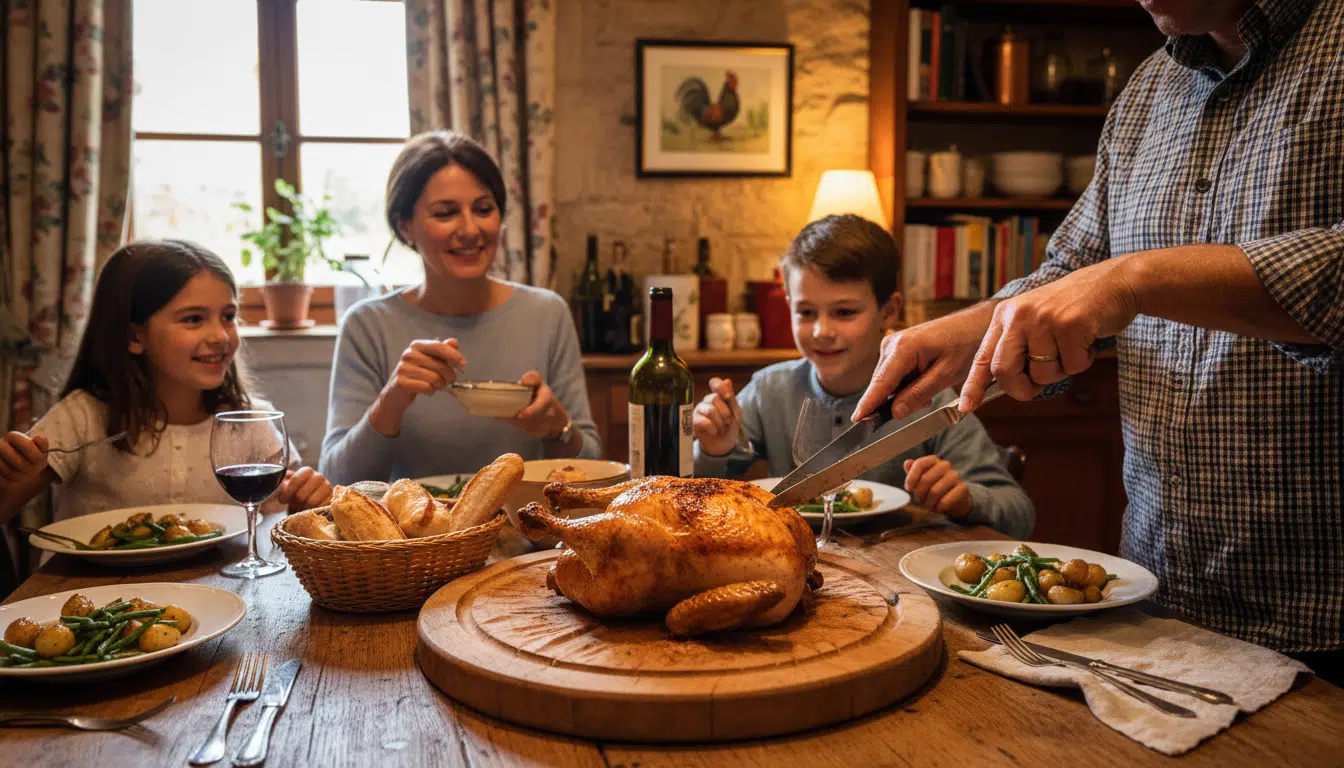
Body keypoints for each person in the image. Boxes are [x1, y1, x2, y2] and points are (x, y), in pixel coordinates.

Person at [854, 0, 1343, 679]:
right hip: (1155, 603)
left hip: (1322, 617)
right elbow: (1075, 272)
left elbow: (1117, 281)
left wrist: (1138, 278)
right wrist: (975, 327)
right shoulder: (1148, 91)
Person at [693, 215, 1033, 539]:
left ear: (889, 311)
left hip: (897, 568)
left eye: (844, 312)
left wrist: (966, 498)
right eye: (806, 312)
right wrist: (714, 450)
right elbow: (699, 496)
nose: (821, 331)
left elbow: (1019, 514)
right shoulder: (769, 389)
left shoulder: (929, 397)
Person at [320, 131, 600, 484]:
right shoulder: (367, 325)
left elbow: (593, 466)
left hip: (525, 535)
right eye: (445, 213)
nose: (470, 230)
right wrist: (392, 400)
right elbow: (336, 480)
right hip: (414, 537)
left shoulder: (547, 314)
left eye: (484, 210)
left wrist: (557, 427)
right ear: (404, 227)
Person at [0, 240, 332, 525]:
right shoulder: (83, 417)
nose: (220, 335)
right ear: (134, 336)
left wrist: (306, 502)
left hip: (227, 596)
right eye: (193, 319)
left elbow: (281, 521)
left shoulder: (251, 423)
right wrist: (14, 476)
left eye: (228, 317)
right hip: (94, 595)